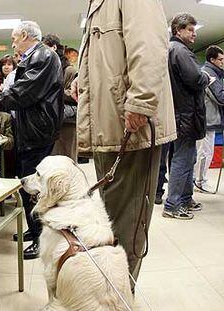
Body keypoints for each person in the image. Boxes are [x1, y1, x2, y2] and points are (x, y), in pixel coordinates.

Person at [73, 0, 176, 288]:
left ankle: (117, 296)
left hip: (130, 127)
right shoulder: (98, 5)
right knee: (112, 221)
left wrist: (141, 102)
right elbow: (106, 57)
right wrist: (83, 81)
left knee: (126, 224)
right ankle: (110, 293)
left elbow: (150, 43)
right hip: (112, 127)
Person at [0, 21, 64, 259]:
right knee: (28, 183)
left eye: (14, 37)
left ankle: (41, 239)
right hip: (32, 129)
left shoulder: (42, 55)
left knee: (33, 186)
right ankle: (35, 229)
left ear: (25, 34)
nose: (12, 41)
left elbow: (24, 91)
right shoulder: (36, 56)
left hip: (37, 131)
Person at [163, 13, 213, 220]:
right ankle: (173, 204)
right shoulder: (180, 51)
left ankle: (184, 198)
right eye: (190, 30)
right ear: (178, 31)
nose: (194, 34)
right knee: (183, 160)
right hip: (185, 114)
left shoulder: (172, 49)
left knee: (184, 158)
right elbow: (195, 78)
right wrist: (206, 77)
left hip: (178, 113)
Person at [42, 34, 78, 160]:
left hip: (68, 123)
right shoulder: (48, 69)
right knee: (53, 162)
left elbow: (76, 94)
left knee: (68, 160)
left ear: (54, 47)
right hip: (52, 123)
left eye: (45, 48)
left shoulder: (70, 70)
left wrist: (53, 91)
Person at [194, 45, 224, 193]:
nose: (222, 62)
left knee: (203, 151)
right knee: (205, 152)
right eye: (220, 60)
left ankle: (198, 179)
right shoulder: (209, 74)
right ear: (212, 60)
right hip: (207, 119)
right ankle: (199, 181)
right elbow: (221, 97)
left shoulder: (212, 73)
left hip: (207, 118)